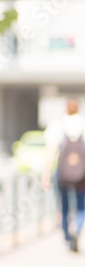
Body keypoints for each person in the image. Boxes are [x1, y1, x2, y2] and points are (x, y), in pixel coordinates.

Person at [43, 98, 85, 252]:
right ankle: (77, 228)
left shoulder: (58, 124)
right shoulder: (83, 122)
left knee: (64, 206)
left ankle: (68, 237)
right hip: (81, 173)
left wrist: (46, 173)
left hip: (63, 173)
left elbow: (51, 150)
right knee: (82, 206)